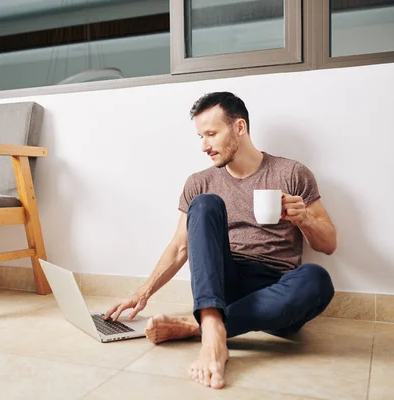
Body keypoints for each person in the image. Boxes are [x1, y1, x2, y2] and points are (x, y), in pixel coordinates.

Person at [105, 92, 336, 389]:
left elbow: (329, 244)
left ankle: (196, 326)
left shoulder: (292, 172)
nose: (204, 146)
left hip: (278, 289)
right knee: (204, 204)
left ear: (239, 127)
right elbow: (180, 247)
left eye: (211, 134)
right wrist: (142, 293)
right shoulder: (199, 183)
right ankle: (213, 327)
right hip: (222, 286)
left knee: (317, 279)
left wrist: (303, 219)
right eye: (201, 136)